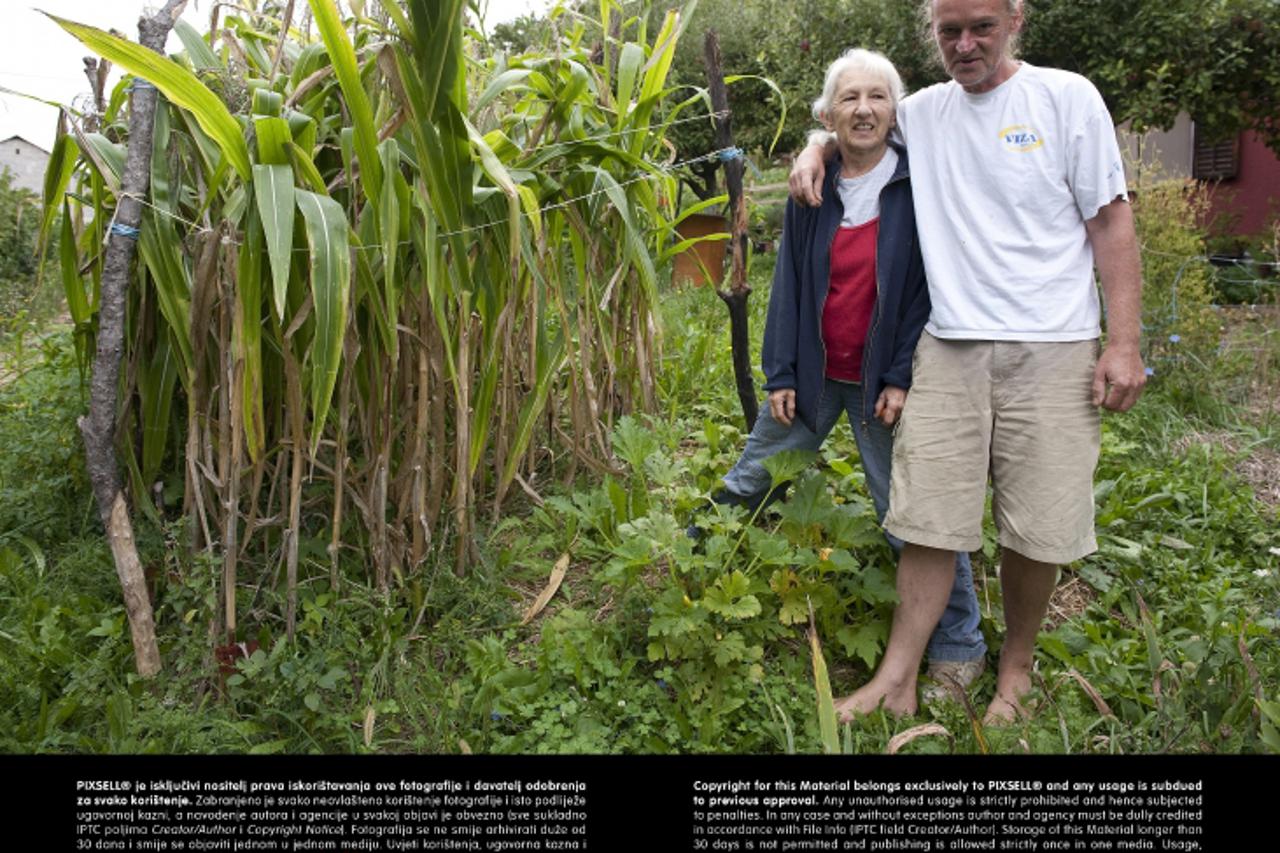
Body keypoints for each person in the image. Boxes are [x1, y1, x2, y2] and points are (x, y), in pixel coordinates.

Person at [788, 0, 1146, 724]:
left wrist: (1123, 342)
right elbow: (858, 126)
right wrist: (812, 148)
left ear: (1016, 18)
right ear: (933, 32)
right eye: (949, 31)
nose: (965, 44)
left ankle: (1014, 673)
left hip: (1055, 345)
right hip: (948, 344)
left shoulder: (1066, 97)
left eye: (981, 26)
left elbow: (1109, 219)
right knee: (927, 517)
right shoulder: (924, 113)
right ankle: (898, 676)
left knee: (1034, 525)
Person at [702, 47, 988, 699]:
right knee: (754, 472)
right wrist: (779, 372)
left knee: (912, 512)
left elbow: (921, 288)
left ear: (897, 108)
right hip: (812, 371)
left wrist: (898, 375)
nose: (863, 109)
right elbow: (789, 286)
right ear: (828, 114)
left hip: (880, 385)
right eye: (849, 98)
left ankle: (957, 640)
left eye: (877, 96)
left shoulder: (921, 182)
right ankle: (694, 558)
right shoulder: (812, 188)